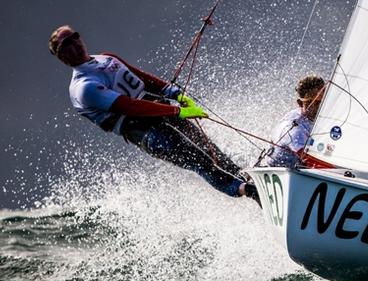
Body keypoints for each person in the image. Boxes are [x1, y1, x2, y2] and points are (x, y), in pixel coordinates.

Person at [48, 25, 258, 201]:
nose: (74, 43)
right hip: (145, 133)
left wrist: (173, 92)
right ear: (61, 56)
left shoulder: (106, 58)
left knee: (211, 150)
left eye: (75, 37)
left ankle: (250, 179)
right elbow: (129, 106)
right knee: (199, 159)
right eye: (66, 44)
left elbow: (141, 78)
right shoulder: (84, 87)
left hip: (161, 113)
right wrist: (177, 111)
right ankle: (247, 191)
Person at [264, 75, 331, 168]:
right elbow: (311, 161)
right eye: (314, 102)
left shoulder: (325, 120)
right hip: (281, 171)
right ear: (300, 103)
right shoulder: (295, 128)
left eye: (322, 102)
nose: (319, 107)